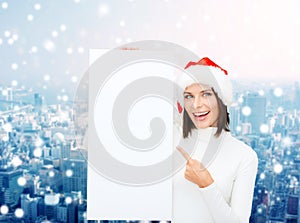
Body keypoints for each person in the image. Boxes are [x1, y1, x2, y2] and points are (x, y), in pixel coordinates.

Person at [173, 57, 258, 223]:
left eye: (205, 94)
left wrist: (206, 184)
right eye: (189, 96)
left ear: (222, 99)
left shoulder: (244, 156)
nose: (196, 104)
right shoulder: (173, 141)